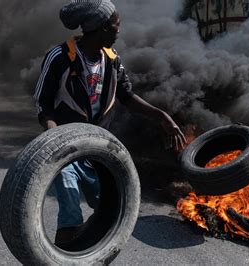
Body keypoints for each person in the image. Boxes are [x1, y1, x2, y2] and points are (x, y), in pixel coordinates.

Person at [33, 0, 186, 248]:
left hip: (97, 147)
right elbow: (43, 103)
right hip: (65, 146)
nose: (119, 30)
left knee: (109, 209)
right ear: (102, 28)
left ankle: (86, 252)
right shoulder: (61, 57)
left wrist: (162, 117)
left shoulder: (112, 60)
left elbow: (126, 96)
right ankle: (64, 247)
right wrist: (54, 138)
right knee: (70, 209)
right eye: (116, 25)